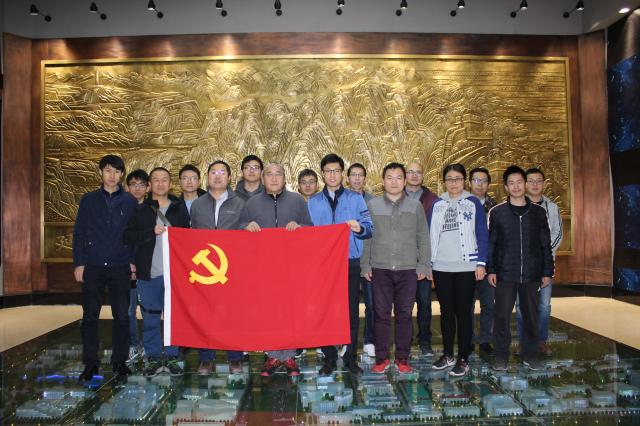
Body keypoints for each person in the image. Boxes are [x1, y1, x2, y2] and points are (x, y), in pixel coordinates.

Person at [240, 163, 314, 377]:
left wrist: (299, 227)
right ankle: (272, 356)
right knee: (268, 312)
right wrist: (246, 227)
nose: (274, 178)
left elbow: (310, 228)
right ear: (263, 179)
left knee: (291, 312)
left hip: (292, 267)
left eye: (278, 174)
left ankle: (289, 357)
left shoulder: (297, 201)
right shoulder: (252, 203)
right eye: (269, 175)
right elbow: (239, 228)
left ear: (284, 178)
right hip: (263, 268)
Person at [73, 155, 138, 381]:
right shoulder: (88, 200)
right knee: (90, 317)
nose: (112, 175)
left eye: (116, 171)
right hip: (93, 265)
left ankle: (119, 361)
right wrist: (79, 263)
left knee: (122, 316)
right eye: (108, 170)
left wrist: (132, 261)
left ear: (122, 175)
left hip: (120, 266)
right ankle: (90, 363)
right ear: (100, 172)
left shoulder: (130, 201)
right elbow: (79, 233)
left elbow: (134, 235)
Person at [308, 154, 374, 376]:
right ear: (322, 174)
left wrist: (359, 228)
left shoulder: (356, 199)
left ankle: (350, 359)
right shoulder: (313, 202)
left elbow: (369, 228)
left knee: (351, 312)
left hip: (349, 262)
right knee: (325, 311)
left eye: (336, 171)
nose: (332, 175)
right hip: (323, 266)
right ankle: (329, 358)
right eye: (328, 171)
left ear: (342, 173)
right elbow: (307, 234)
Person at [362, 162, 429, 374]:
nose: (394, 182)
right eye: (389, 178)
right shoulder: (372, 205)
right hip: (380, 268)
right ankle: (381, 358)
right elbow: (367, 237)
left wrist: (423, 264)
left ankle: (402, 358)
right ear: (383, 181)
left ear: (405, 180)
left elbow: (423, 236)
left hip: (408, 269)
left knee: (405, 314)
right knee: (381, 314)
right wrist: (365, 264)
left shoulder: (415, 206)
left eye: (398, 177)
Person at [124, 167, 191, 377]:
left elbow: (189, 238)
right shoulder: (140, 209)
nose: (160, 184)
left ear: (170, 184)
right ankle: (152, 357)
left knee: (173, 318)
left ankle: (172, 357)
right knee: (150, 317)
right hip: (149, 272)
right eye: (156, 180)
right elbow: (128, 236)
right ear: (150, 185)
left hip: (175, 274)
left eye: (164, 180)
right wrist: (150, 231)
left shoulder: (179, 209)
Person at [488, 166, 554, 371]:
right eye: (511, 183)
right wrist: (491, 269)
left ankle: (530, 354)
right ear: (506, 187)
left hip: (532, 273)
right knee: (502, 315)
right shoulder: (497, 212)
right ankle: (501, 355)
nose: (516, 186)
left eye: (519, 182)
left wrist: (547, 271)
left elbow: (545, 244)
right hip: (505, 273)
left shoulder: (538, 212)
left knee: (531, 315)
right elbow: (492, 244)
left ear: (525, 184)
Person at [429, 163, 489, 377]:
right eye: (449, 179)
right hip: (441, 266)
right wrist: (429, 263)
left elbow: (482, 233)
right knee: (446, 312)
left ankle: (464, 357)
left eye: (457, 179)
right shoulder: (437, 204)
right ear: (444, 182)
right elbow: (430, 235)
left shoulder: (473, 203)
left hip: (466, 266)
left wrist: (481, 263)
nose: (453, 183)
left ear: (464, 181)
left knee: (464, 312)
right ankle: (448, 354)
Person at [189, 160, 247, 375]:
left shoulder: (241, 203)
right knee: (205, 313)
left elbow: (246, 232)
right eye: (213, 172)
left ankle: (235, 358)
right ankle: (206, 358)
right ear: (208, 177)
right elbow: (191, 235)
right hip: (205, 269)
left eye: (222, 172)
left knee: (233, 313)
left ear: (229, 178)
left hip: (232, 267)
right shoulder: (197, 204)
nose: (218, 176)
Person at [515, 167, 563, 356]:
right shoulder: (517, 205)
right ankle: (523, 341)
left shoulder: (552, 207)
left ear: (543, 183)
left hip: (545, 265)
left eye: (538, 181)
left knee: (544, 304)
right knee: (521, 305)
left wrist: (544, 253)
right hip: (522, 264)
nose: (535, 184)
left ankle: (541, 341)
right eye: (531, 181)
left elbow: (558, 233)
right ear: (525, 184)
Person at [405, 161, 439, 356]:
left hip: (425, 259)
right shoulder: (396, 197)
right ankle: (406, 341)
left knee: (425, 303)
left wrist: (429, 262)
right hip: (403, 260)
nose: (414, 175)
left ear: (423, 175)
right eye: (410, 172)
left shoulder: (433, 200)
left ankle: (425, 341)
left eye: (418, 172)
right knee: (404, 305)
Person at [346, 162, 375, 359]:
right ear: (347, 178)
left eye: (360, 175)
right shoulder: (343, 199)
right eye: (353, 175)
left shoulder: (373, 201)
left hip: (370, 258)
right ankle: (345, 341)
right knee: (348, 304)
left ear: (365, 178)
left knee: (371, 303)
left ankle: (369, 340)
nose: (357, 178)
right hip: (349, 259)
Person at [468, 167, 498, 356]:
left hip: (489, 263)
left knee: (489, 304)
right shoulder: (463, 203)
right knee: (467, 305)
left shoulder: (495, 207)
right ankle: (469, 340)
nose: (480, 184)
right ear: (470, 182)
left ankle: (485, 340)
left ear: (488, 184)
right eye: (476, 180)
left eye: (484, 181)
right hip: (467, 263)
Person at [124, 169, 149, 363]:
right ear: (127, 187)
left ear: (148, 188)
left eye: (141, 185)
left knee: (149, 310)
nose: (137, 188)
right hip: (126, 267)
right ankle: (132, 344)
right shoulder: (121, 210)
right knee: (128, 310)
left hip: (148, 267)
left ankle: (148, 346)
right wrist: (128, 262)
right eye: (133, 184)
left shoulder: (153, 209)